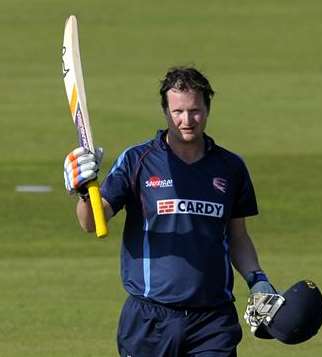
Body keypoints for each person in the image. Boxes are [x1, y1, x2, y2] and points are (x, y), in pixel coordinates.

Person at [64, 66, 276, 356]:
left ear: (207, 109)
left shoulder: (230, 168)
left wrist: (258, 279)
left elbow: (237, 236)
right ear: (165, 111)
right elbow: (90, 222)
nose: (186, 120)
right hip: (150, 321)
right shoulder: (137, 161)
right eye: (177, 111)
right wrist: (82, 191)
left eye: (194, 111)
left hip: (212, 322)